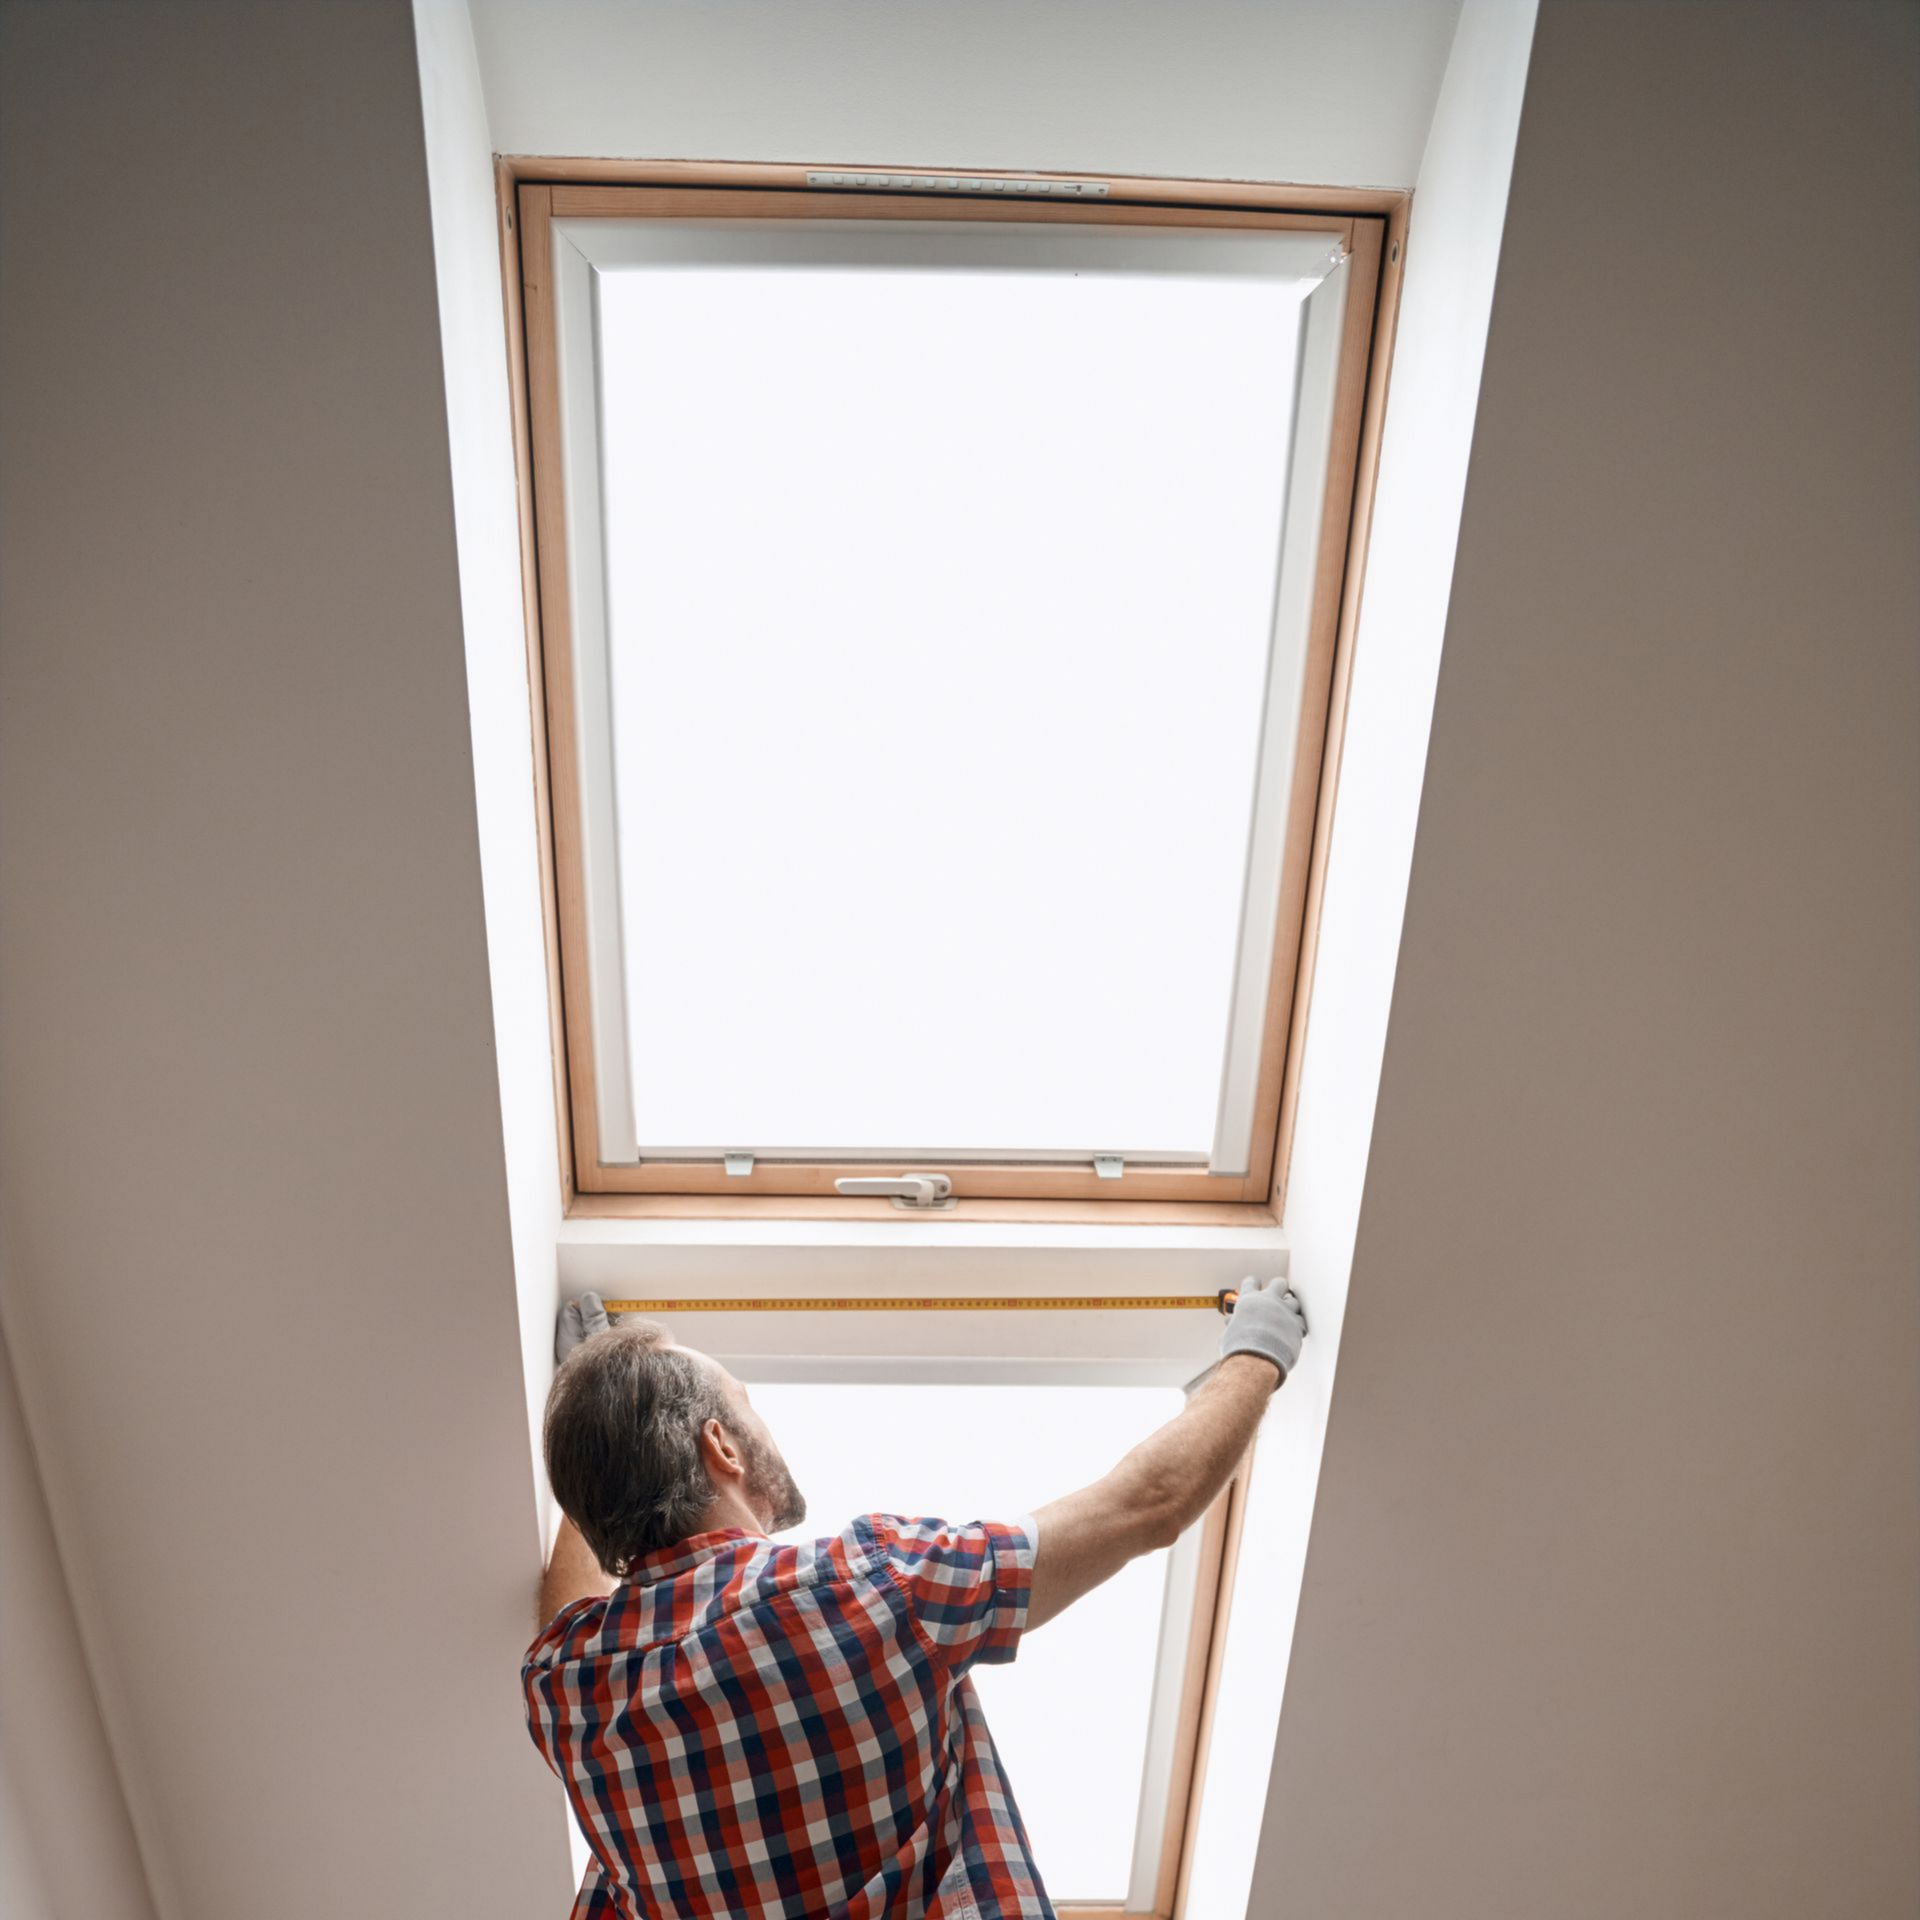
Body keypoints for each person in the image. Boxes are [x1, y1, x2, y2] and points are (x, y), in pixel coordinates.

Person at [523, 1277, 1308, 1919]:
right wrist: (1257, 1355)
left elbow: (568, 1598)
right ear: (720, 1445)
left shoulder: (567, 1686)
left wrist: (595, 1424)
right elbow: (1147, 1506)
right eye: (745, 1400)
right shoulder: (873, 1588)